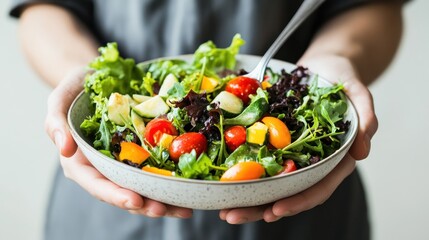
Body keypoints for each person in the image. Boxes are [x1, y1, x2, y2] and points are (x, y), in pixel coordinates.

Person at [10, 0, 405, 239]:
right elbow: (44, 9)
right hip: (107, 209)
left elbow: (372, 8)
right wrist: (87, 74)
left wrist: (336, 56)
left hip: (303, 217)